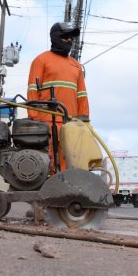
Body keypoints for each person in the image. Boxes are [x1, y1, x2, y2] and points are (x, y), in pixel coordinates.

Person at [27, 22, 89, 171]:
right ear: (55, 37)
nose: (70, 40)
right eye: (65, 36)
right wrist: (35, 119)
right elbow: (32, 90)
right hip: (47, 122)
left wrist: (85, 121)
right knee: (49, 162)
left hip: (71, 124)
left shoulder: (76, 66)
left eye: (71, 38)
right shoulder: (41, 60)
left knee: (70, 161)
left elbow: (82, 95)